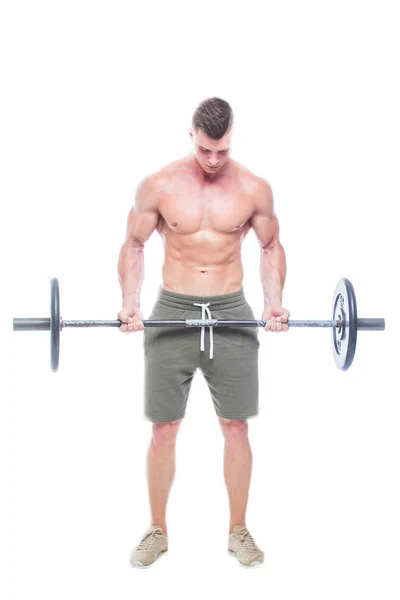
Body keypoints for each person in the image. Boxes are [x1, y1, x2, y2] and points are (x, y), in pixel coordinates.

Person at [117, 97, 290, 568]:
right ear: (191, 134)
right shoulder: (159, 185)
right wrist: (131, 305)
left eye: (223, 150)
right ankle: (157, 530)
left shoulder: (254, 188)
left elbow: (269, 247)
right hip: (172, 309)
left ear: (232, 139)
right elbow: (134, 245)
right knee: (164, 429)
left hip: (231, 310)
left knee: (236, 426)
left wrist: (273, 303)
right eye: (206, 149)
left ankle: (239, 530)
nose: (214, 160)